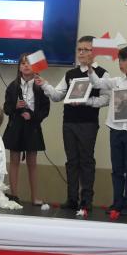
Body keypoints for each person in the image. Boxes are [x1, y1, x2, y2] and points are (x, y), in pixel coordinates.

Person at [35, 36, 109, 213]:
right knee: (72, 161)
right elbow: (57, 95)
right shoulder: (70, 74)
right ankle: (72, 199)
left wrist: (87, 101)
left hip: (88, 123)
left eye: (86, 49)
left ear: (94, 52)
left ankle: (87, 200)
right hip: (69, 122)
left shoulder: (102, 73)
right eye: (79, 49)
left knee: (86, 161)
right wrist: (44, 84)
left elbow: (106, 99)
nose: (81, 53)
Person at [87, 46, 127, 221]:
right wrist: (90, 68)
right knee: (117, 169)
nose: (120, 63)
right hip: (115, 129)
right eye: (120, 60)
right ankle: (117, 203)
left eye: (124, 60)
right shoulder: (116, 81)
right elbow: (97, 83)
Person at [2, 53, 50, 205]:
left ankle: (34, 197)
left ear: (35, 66)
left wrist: (33, 117)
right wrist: (15, 106)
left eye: (29, 63)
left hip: (32, 127)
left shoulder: (40, 86)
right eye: (22, 63)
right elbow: (6, 109)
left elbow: (45, 110)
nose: (26, 65)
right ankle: (14, 196)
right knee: (14, 161)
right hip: (15, 127)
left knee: (32, 163)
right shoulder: (13, 86)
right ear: (19, 67)